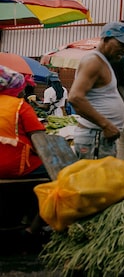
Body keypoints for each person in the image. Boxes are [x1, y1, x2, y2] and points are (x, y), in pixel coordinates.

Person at [69, 22, 124, 159]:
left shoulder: (104, 62)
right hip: (95, 137)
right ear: (106, 40)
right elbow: (75, 97)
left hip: (99, 137)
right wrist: (106, 125)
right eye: (121, 44)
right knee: (95, 180)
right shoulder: (93, 62)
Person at [0, 66, 48, 242]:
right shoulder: (20, 106)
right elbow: (40, 139)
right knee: (58, 180)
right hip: (15, 167)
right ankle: (32, 230)